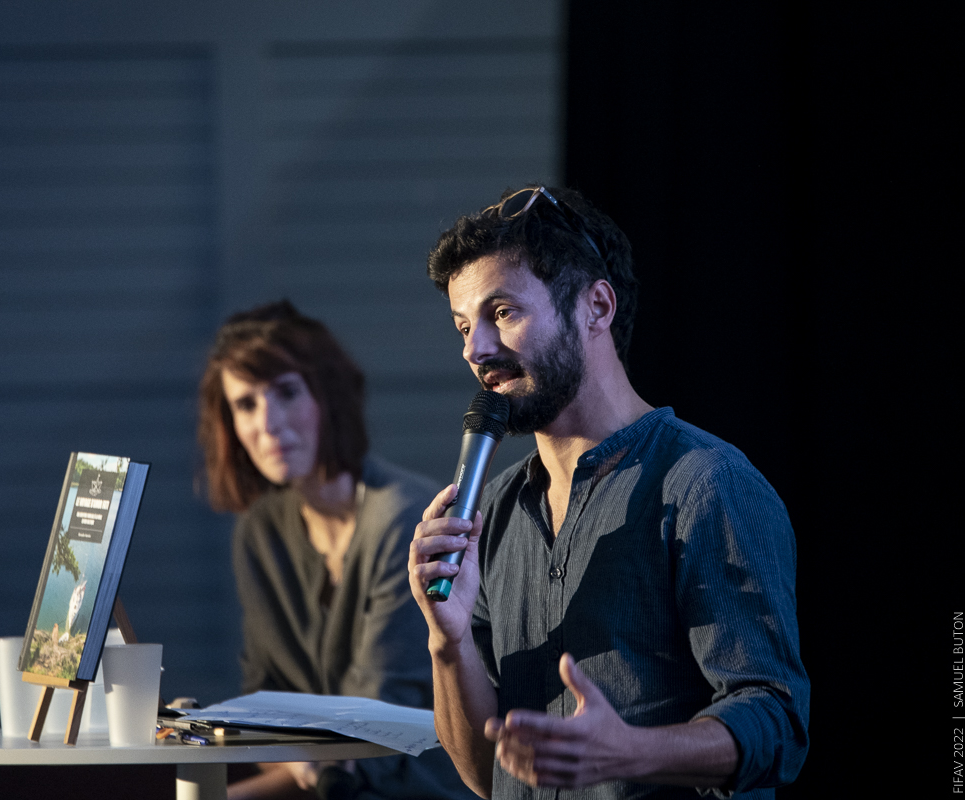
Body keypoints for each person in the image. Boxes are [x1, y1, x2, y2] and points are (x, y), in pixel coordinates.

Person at [407, 186, 809, 799]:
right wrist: (448, 641)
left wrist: (629, 753)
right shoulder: (496, 510)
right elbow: (489, 776)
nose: (475, 349)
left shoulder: (706, 483)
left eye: (502, 313)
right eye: (464, 326)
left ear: (596, 306)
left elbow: (778, 724)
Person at [198, 300, 479, 800]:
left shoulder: (402, 519)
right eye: (245, 405)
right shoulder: (259, 531)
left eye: (287, 392)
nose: (268, 423)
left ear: (328, 396)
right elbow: (262, 701)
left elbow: (370, 725)